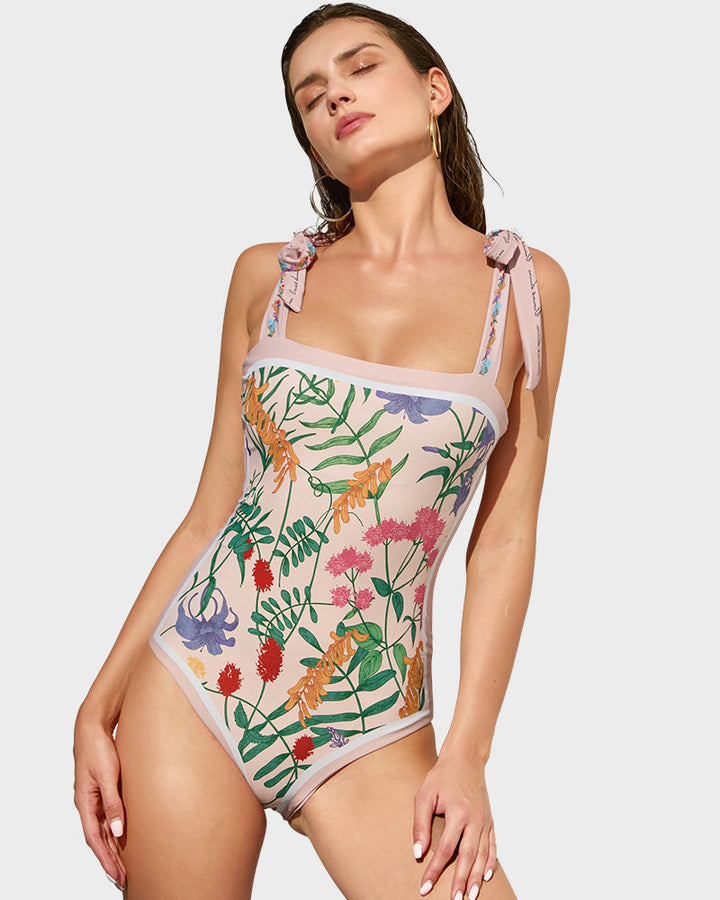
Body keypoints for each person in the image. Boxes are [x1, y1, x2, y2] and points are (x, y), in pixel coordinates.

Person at [73, 3, 570, 897]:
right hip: (195, 679)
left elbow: (505, 538)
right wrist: (95, 704)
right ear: (311, 140)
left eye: (360, 66)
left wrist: (467, 753)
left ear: (435, 90)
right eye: (310, 96)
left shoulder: (524, 292)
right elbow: (211, 513)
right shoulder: (269, 277)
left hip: (369, 720)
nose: (334, 94)